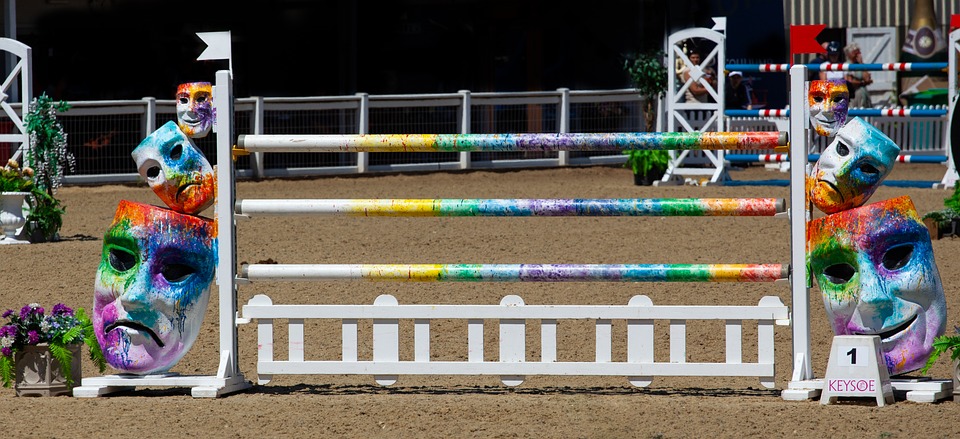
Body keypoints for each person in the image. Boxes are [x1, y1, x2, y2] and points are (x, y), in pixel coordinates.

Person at [843, 42, 873, 108]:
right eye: (855, 52)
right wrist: (862, 82)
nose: (857, 54)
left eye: (858, 52)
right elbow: (849, 81)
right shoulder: (846, 65)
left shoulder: (859, 65)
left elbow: (867, 78)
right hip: (854, 94)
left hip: (863, 93)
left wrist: (861, 64)